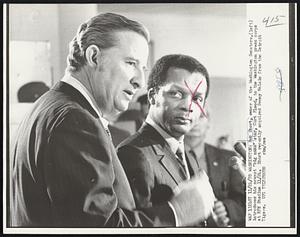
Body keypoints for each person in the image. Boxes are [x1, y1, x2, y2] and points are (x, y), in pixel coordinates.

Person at [10, 13, 215, 227]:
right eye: (130, 63)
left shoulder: (51, 106)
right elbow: (100, 228)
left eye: (142, 68)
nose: (140, 81)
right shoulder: (75, 120)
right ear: (94, 57)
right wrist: (176, 213)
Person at [117, 54, 214, 226]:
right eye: (177, 94)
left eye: (197, 98)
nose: (188, 106)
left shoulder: (188, 154)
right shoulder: (134, 153)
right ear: (153, 96)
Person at [184, 110, 246, 227]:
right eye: (190, 115)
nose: (195, 121)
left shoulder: (228, 158)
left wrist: (227, 209)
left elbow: (244, 200)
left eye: (201, 116)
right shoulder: (164, 157)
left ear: (209, 124)